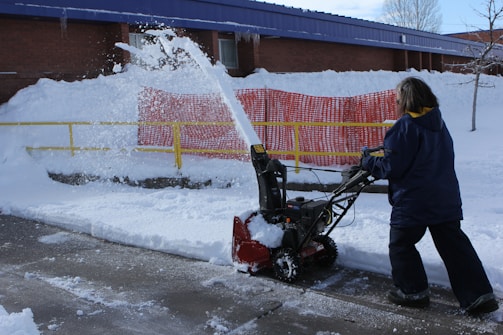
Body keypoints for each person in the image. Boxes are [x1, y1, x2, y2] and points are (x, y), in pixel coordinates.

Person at [361, 77, 499, 315]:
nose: (395, 104)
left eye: (396, 100)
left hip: (414, 202)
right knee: (454, 246)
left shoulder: (404, 127)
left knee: (401, 244)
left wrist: (367, 161)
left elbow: (393, 167)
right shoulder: (438, 123)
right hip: (445, 198)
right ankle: (479, 295)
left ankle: (412, 292)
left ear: (406, 100)